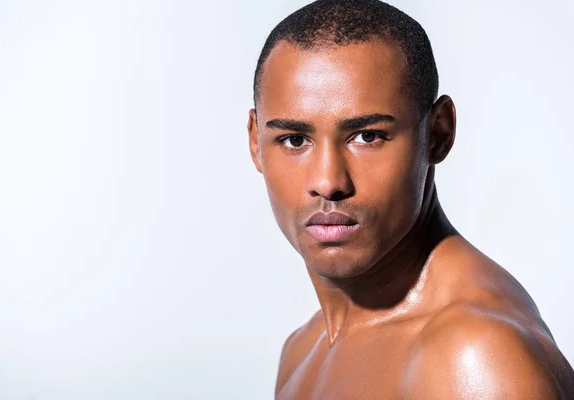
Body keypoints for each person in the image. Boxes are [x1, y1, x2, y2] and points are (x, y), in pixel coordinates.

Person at [246, 0, 574, 398]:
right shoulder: (301, 350)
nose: (328, 182)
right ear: (255, 142)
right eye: (294, 140)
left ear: (438, 133)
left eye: (368, 136)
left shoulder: (476, 356)